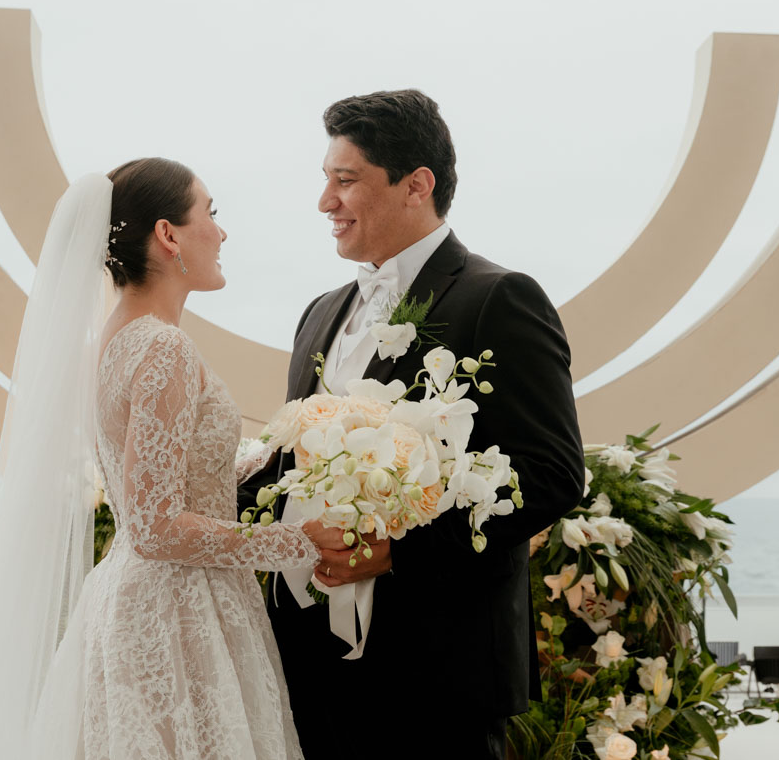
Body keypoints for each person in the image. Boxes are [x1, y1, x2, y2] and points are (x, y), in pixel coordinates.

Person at [0, 159, 345, 760]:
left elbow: (158, 483)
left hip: (135, 598)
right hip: (179, 611)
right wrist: (298, 542)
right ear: (169, 235)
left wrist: (265, 457)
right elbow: (156, 527)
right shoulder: (165, 348)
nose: (221, 232)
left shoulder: (115, 339)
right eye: (210, 214)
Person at [237, 89, 587, 760]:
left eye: (346, 180)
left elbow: (551, 475)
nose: (326, 202)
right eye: (326, 180)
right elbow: (288, 469)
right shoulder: (319, 312)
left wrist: (396, 552)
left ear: (416, 185)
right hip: (307, 660)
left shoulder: (499, 298)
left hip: (437, 667)